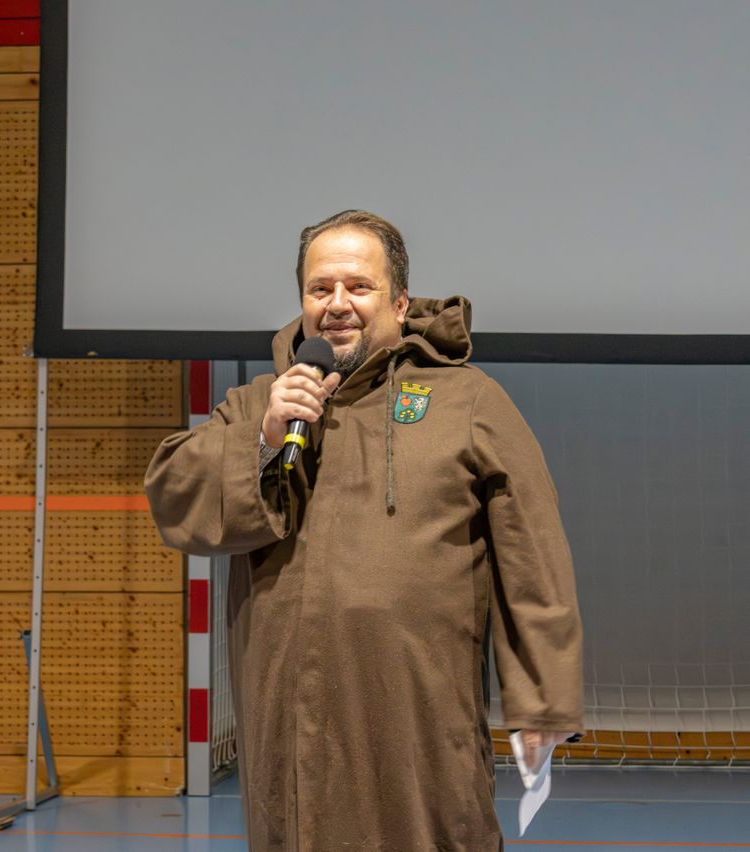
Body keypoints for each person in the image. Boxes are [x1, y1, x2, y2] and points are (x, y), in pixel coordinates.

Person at [145, 210, 583, 851]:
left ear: (400, 304)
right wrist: (265, 438)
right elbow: (174, 492)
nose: (337, 305)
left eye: (359, 287)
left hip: (419, 728)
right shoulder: (260, 402)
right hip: (289, 729)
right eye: (320, 289)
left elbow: (532, 552)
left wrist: (541, 699)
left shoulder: (467, 400)